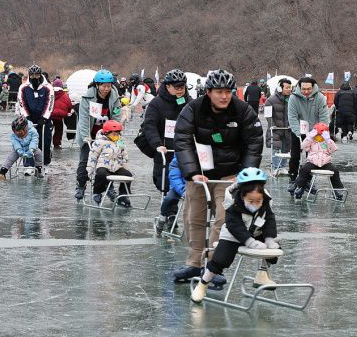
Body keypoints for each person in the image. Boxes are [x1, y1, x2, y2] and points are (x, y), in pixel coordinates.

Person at [171, 69, 263, 284]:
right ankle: (194, 263)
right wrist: (192, 172)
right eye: (219, 92)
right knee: (194, 217)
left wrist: (244, 175)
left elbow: (254, 142)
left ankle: (212, 266)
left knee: (224, 218)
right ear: (209, 92)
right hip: (200, 173)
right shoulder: (193, 109)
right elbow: (182, 139)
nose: (224, 96)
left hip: (230, 173)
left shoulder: (243, 110)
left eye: (228, 92)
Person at [191, 167, 278, 303]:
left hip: (255, 232)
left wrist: (269, 239)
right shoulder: (233, 206)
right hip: (232, 236)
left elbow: (270, 221)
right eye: (251, 201)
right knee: (220, 259)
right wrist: (249, 241)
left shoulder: (266, 204)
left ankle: (262, 274)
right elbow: (235, 227)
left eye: (258, 201)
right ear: (242, 196)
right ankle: (203, 283)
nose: (255, 205)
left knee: (273, 249)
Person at [142, 69, 192, 198]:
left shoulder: (190, 102)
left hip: (185, 148)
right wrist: (157, 144)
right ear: (168, 86)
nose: (180, 90)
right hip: (165, 148)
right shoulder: (156, 103)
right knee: (164, 182)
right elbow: (149, 125)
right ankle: (169, 206)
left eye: (182, 87)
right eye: (176, 87)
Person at [74, 69, 122, 200]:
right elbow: (84, 119)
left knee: (109, 160)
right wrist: (86, 137)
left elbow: (117, 115)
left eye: (109, 86)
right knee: (85, 160)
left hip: (107, 134)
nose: (106, 89)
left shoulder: (114, 97)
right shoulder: (87, 98)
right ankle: (81, 185)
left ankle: (109, 186)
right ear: (97, 85)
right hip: (89, 133)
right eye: (103, 86)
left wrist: (115, 133)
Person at [287, 76, 330, 185]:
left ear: (313, 87)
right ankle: (292, 177)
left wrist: (319, 132)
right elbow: (292, 117)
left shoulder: (320, 97)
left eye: (309, 89)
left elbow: (324, 117)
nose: (306, 91)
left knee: (312, 157)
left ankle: (308, 180)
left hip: (315, 132)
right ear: (299, 87)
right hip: (298, 130)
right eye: (303, 89)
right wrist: (298, 132)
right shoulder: (293, 98)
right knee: (295, 156)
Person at [289, 122, 345, 200]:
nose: (319, 137)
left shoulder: (328, 141)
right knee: (304, 169)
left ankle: (337, 189)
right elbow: (303, 147)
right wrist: (309, 138)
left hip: (325, 162)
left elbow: (333, 149)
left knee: (335, 170)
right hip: (312, 161)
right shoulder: (312, 141)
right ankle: (299, 186)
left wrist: (328, 140)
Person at [86, 120, 133, 207]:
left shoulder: (120, 142)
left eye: (117, 133)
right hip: (103, 166)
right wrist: (90, 170)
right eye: (113, 133)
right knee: (101, 174)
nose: (116, 135)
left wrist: (125, 167)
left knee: (128, 175)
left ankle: (123, 196)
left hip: (116, 167)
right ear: (106, 133)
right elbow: (92, 157)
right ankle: (97, 192)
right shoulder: (99, 142)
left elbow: (124, 155)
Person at [17, 65, 55, 166]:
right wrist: (26, 117)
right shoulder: (23, 87)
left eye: (37, 75)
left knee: (45, 142)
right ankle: (28, 165)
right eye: (32, 75)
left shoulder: (48, 87)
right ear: (29, 75)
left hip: (44, 118)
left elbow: (50, 103)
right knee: (27, 141)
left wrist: (44, 118)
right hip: (29, 117)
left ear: (40, 75)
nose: (34, 77)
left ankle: (44, 163)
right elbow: (21, 103)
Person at [265, 78, 292, 168]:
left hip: (287, 129)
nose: (289, 89)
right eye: (287, 87)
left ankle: (283, 167)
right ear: (280, 88)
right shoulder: (270, 100)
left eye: (290, 87)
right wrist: (273, 125)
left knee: (286, 150)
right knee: (275, 150)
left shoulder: (292, 100)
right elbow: (268, 115)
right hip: (276, 129)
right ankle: (276, 167)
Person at [51, 79, 73, 149]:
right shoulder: (65, 95)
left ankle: (46, 142)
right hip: (59, 116)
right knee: (59, 130)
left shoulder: (50, 93)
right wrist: (68, 111)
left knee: (48, 129)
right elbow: (69, 105)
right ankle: (56, 144)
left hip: (50, 115)